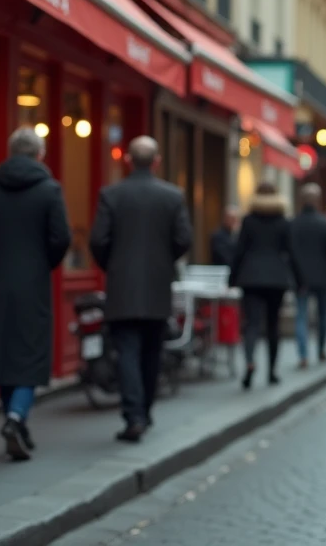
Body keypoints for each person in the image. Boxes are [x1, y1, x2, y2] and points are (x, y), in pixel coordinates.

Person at [0, 127, 71, 461]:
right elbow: (61, 238)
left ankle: (16, 424)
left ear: (11, 152)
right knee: (30, 354)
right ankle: (15, 418)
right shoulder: (49, 190)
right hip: (33, 283)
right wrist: (42, 263)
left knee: (2, 354)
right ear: (40, 155)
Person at [89, 136, 193, 443]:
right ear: (157, 161)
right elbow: (184, 239)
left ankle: (134, 415)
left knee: (127, 352)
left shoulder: (112, 195)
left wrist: (114, 265)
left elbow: (98, 240)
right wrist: (163, 261)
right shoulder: (172, 196)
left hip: (122, 286)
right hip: (157, 286)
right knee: (151, 352)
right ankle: (143, 412)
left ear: (128, 160)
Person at [229, 181, 296, 389]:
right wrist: (298, 279)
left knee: (251, 323)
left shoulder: (248, 221)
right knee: (273, 325)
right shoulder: (284, 222)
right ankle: (272, 371)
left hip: (251, 276)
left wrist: (232, 277)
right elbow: (291, 252)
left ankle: (250, 362)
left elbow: (239, 251)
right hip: (276, 278)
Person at [289, 183, 326, 365]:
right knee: (323, 316)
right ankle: (321, 350)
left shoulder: (294, 223)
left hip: (300, 277)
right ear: (317, 201)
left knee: (301, 316)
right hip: (323, 277)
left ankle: (303, 355)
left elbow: (291, 252)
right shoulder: (325, 223)